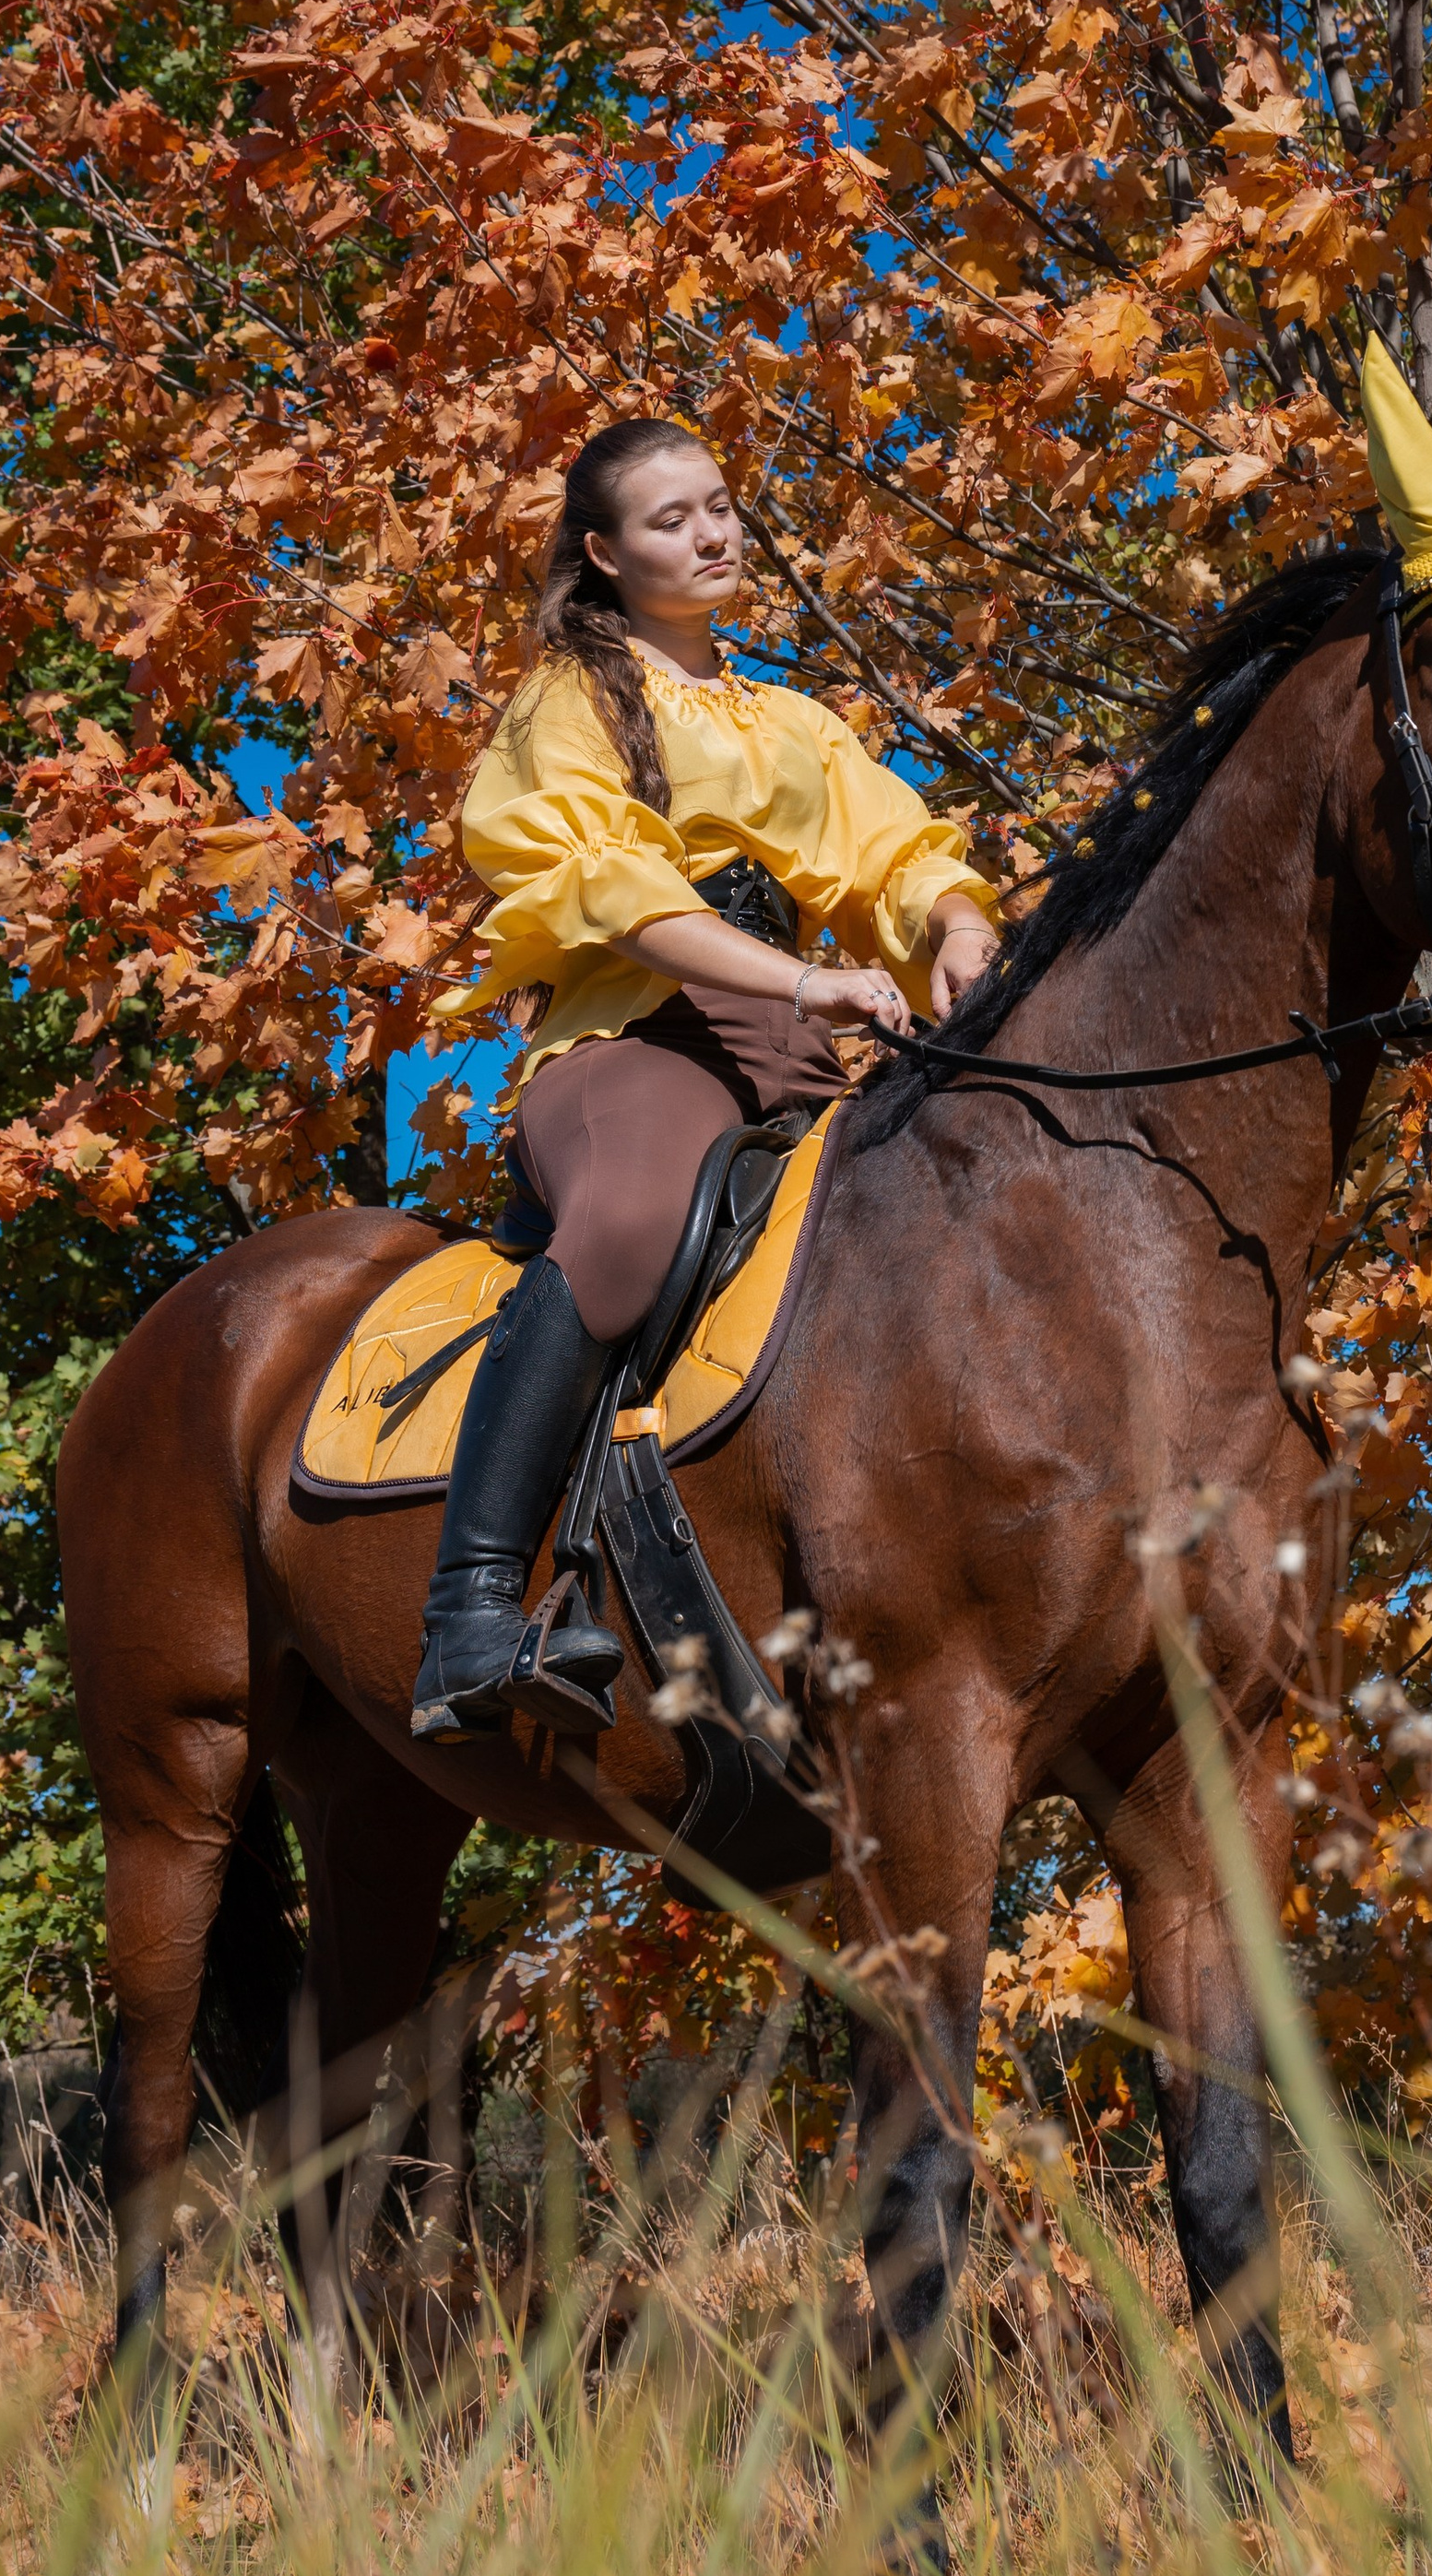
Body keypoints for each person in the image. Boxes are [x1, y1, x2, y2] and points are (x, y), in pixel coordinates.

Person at [409, 417, 1000, 1744]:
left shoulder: (792, 719)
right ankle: (470, 1612)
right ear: (605, 556)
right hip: (637, 1046)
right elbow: (620, 900)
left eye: (723, 505)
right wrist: (804, 980)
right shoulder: (567, 699)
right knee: (623, 1221)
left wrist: (956, 927)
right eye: (673, 519)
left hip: (795, 1064)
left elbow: (890, 856)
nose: (715, 533)